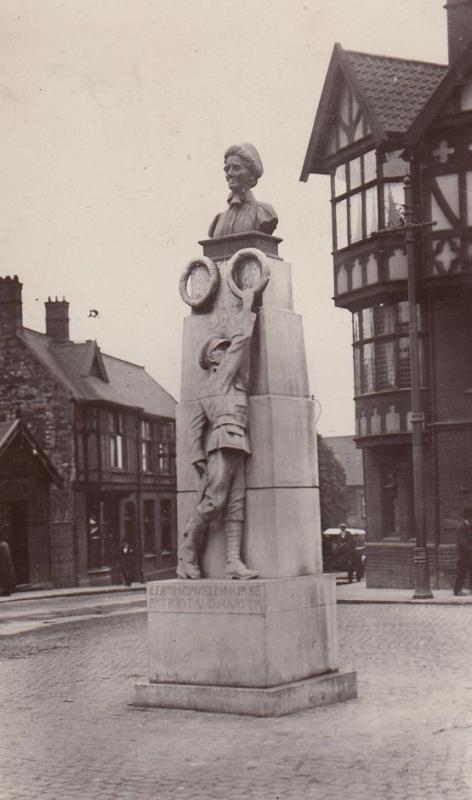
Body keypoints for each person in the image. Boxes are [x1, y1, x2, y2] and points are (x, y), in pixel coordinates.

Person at [177, 288, 258, 581]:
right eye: (221, 350)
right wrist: (248, 303)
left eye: (226, 349)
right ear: (213, 359)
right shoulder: (217, 381)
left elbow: (195, 428)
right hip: (223, 444)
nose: (228, 353)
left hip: (238, 444)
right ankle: (186, 554)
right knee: (214, 502)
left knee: (235, 506)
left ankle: (233, 561)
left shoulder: (235, 383)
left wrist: (196, 454)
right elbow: (242, 341)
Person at [208, 143, 278, 238]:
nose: (230, 173)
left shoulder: (264, 213)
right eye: (227, 169)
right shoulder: (218, 220)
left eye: (236, 168)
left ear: (252, 174)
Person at [453, 508, 472, 596]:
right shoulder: (462, 528)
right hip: (462, 556)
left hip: (468, 555)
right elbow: (464, 543)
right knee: (461, 574)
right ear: (468, 518)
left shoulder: (469, 526)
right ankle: (457, 591)